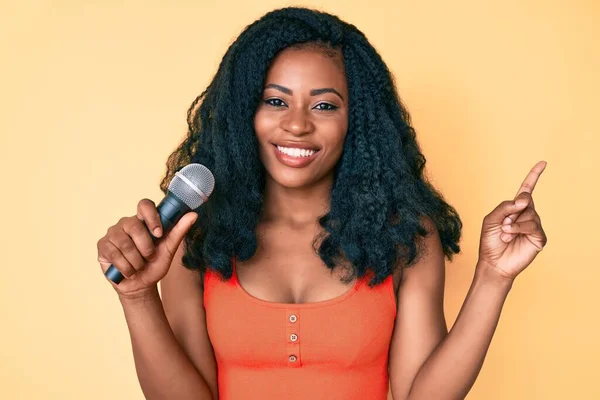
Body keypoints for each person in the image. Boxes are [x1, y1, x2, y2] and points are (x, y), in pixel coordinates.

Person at [96, 6, 548, 400]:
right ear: (242, 114)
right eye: (275, 100)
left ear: (359, 121)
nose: (297, 125)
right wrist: (137, 298)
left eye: (325, 106)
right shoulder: (197, 236)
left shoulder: (406, 234)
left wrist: (493, 277)